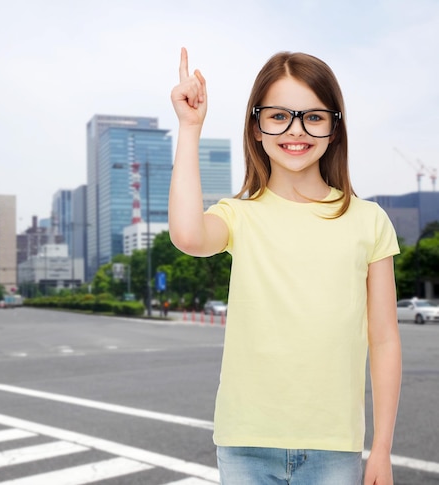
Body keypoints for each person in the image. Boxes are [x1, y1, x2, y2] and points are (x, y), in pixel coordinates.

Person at [169, 48, 401, 485]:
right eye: (278, 116)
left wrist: (382, 450)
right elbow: (187, 235)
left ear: (335, 128)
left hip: (334, 447)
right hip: (246, 443)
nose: (296, 130)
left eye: (313, 117)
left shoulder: (369, 220)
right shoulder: (238, 215)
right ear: (256, 127)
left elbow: (385, 340)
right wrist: (189, 127)